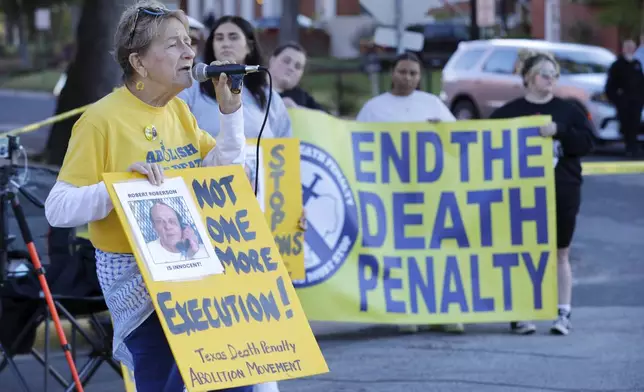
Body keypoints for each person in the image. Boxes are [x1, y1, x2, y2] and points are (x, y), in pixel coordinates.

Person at [43, 2, 250, 391]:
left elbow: (221, 172)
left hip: (191, 265)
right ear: (138, 62)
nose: (190, 53)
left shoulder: (179, 112)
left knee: (228, 377)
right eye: (174, 45)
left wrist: (231, 113)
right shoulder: (100, 120)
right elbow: (57, 209)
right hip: (136, 280)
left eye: (189, 42)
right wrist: (120, 187)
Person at [178, 16, 298, 392]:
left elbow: (284, 158)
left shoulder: (268, 96)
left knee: (261, 310)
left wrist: (295, 206)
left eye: (234, 37)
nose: (225, 44)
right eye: (218, 38)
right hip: (209, 216)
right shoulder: (190, 96)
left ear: (249, 47)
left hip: (259, 215)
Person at [355, 51, 464, 335]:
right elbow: (353, 146)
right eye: (402, 71)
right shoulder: (373, 108)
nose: (407, 78)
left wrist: (442, 132)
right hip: (390, 193)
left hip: (430, 194)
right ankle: (406, 311)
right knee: (400, 253)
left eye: (413, 73)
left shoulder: (433, 105)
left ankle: (443, 312)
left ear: (420, 77)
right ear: (392, 73)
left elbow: (458, 142)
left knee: (434, 252)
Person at [490, 50, 595, 336]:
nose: (550, 79)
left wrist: (559, 130)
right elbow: (480, 139)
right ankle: (521, 313)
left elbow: (587, 142)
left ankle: (563, 313)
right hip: (519, 195)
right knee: (520, 252)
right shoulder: (509, 112)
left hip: (562, 190)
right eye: (544, 73)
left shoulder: (568, 111)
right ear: (528, 77)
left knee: (561, 253)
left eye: (555, 74)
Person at [605, 39, 644, 157]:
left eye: (632, 47)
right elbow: (610, 86)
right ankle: (629, 147)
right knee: (626, 124)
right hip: (624, 101)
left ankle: (634, 147)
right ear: (623, 49)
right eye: (628, 47)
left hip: (637, 101)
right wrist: (617, 99)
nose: (630, 50)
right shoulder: (617, 65)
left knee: (635, 124)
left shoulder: (637, 64)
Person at [268, 42, 326, 111]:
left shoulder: (302, 97)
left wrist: (296, 109)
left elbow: (326, 117)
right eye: (286, 61)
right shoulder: (254, 87)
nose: (291, 68)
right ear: (272, 60)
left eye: (297, 66)